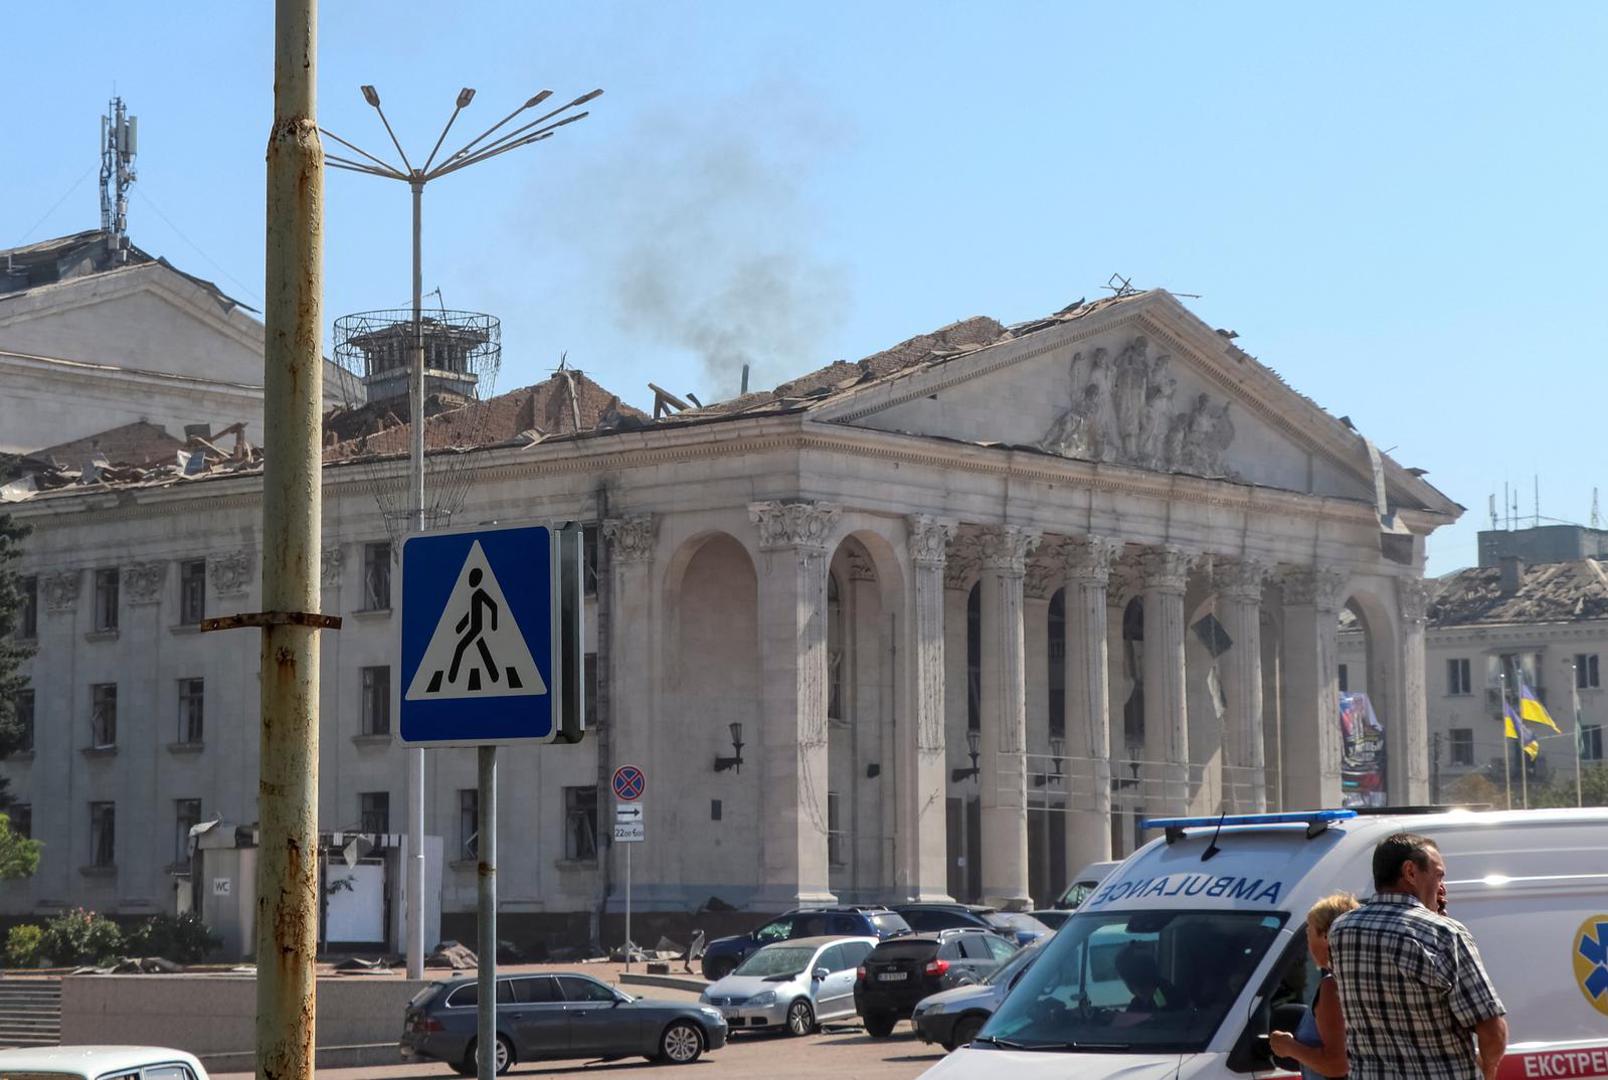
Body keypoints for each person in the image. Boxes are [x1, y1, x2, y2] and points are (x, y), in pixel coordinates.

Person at [1327, 833, 1508, 1080]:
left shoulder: (1341, 930)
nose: (1442, 887)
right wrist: (1488, 1071)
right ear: (1410, 872)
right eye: (1438, 875)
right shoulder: (1444, 934)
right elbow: (1491, 1029)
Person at [1270, 892, 1360, 1080]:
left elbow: (1337, 1065)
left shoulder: (1332, 986)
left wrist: (1289, 1047)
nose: (1308, 942)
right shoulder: (1363, 977)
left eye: (1309, 932)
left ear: (1326, 937)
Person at [1113, 942, 1179, 1012]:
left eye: (1124, 978)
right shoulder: (1138, 1003)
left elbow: (1163, 1016)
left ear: (1130, 981)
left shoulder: (1163, 998)